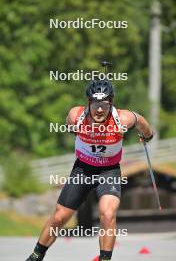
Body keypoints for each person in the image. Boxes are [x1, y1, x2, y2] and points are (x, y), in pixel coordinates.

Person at [25, 79, 154, 261]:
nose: (100, 109)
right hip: (83, 170)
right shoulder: (76, 116)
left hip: (109, 171)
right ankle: (36, 255)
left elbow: (140, 120)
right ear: (88, 102)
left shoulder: (122, 119)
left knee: (108, 214)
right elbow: (68, 123)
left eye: (104, 104)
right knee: (60, 217)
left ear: (111, 103)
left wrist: (147, 135)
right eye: (95, 104)